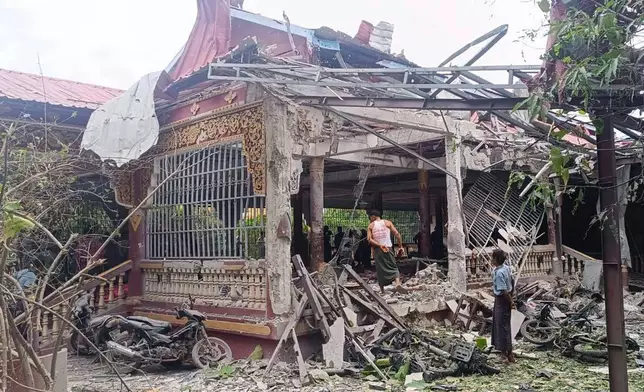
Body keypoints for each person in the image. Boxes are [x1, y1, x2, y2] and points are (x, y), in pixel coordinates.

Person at [367, 210, 407, 294]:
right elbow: (398, 235)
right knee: (393, 266)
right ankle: (397, 283)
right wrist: (400, 246)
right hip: (388, 248)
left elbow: (369, 239)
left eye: (370, 217)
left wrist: (379, 245)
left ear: (373, 216)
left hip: (378, 250)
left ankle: (382, 290)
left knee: (380, 268)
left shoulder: (371, 225)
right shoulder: (387, 223)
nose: (370, 219)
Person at [491, 248, 516, 363]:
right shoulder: (505, 268)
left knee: (500, 327)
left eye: (492, 257)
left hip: (502, 299)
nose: (491, 259)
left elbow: (504, 291)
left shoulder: (500, 272)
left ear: (496, 259)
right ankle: (510, 354)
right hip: (505, 299)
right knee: (506, 326)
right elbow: (512, 281)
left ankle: (503, 355)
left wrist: (511, 301)